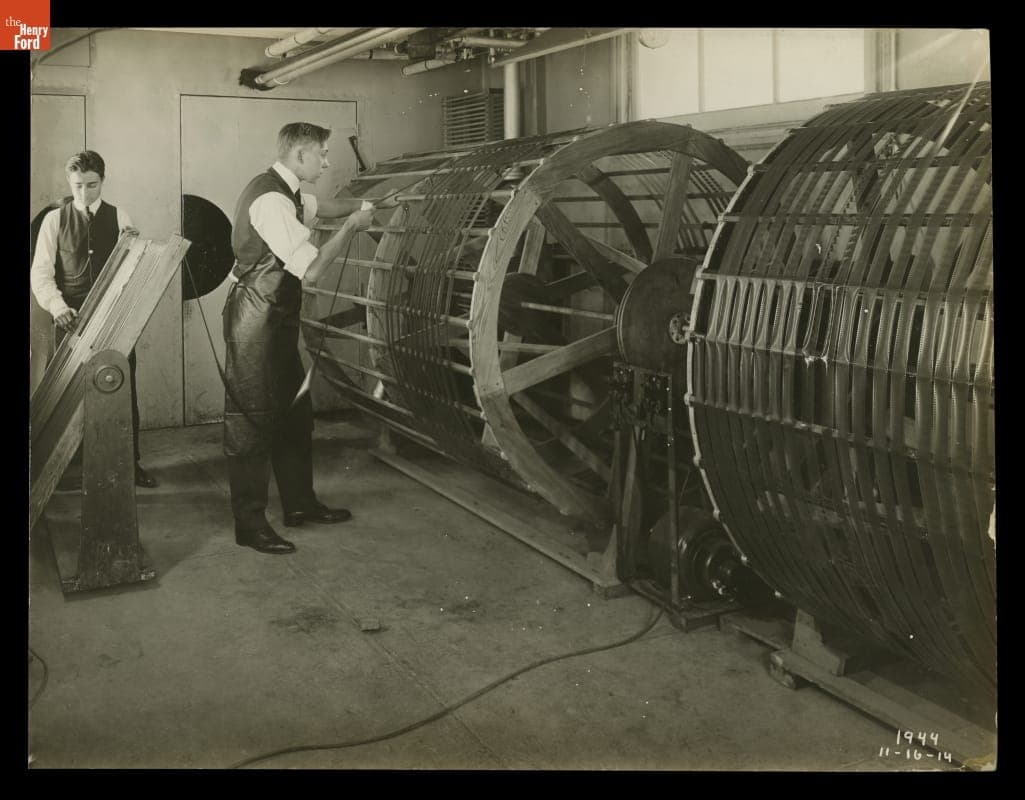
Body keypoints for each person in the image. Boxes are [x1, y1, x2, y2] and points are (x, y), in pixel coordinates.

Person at [223, 122, 380, 555]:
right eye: (323, 154)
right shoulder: (271, 199)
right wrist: (353, 225)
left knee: (294, 413)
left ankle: (300, 505)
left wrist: (372, 201)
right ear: (298, 155)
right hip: (254, 322)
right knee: (251, 422)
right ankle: (249, 525)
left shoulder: (287, 191)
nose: (328, 162)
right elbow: (310, 271)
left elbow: (323, 207)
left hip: (275, 319)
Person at [30, 150, 158, 489]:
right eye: (77, 186)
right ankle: (71, 468)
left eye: (92, 185)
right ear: (68, 183)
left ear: (103, 180)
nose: (84, 194)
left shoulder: (120, 216)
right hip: (69, 321)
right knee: (69, 392)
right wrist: (57, 307)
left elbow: (132, 270)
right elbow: (40, 274)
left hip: (115, 321)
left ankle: (130, 465)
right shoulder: (54, 220)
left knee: (122, 389)